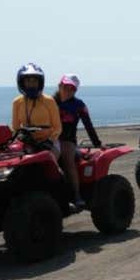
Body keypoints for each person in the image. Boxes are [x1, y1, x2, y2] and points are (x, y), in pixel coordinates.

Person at [53, 73, 102, 209]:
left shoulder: (79, 105)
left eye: (72, 88)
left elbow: (88, 124)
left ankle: (76, 195)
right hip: (48, 139)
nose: (68, 90)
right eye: (66, 87)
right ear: (59, 85)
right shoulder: (50, 102)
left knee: (67, 159)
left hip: (67, 140)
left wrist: (97, 143)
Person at [11, 63, 61, 158]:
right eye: (28, 81)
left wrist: (49, 141)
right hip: (27, 143)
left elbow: (58, 128)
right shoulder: (17, 102)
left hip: (49, 142)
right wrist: (21, 137)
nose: (31, 84)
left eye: (34, 81)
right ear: (22, 82)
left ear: (40, 82)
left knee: (48, 161)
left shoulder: (49, 101)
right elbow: (15, 128)